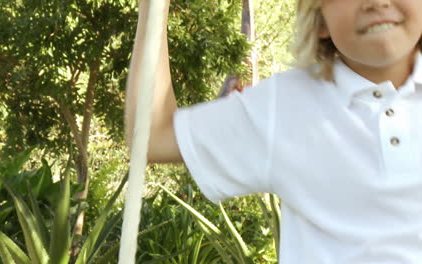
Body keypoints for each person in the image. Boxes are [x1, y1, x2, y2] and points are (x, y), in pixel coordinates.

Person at [125, 0, 422, 263]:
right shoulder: (284, 106)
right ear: (318, 19)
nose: (377, 2)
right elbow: (153, 136)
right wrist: (154, 8)